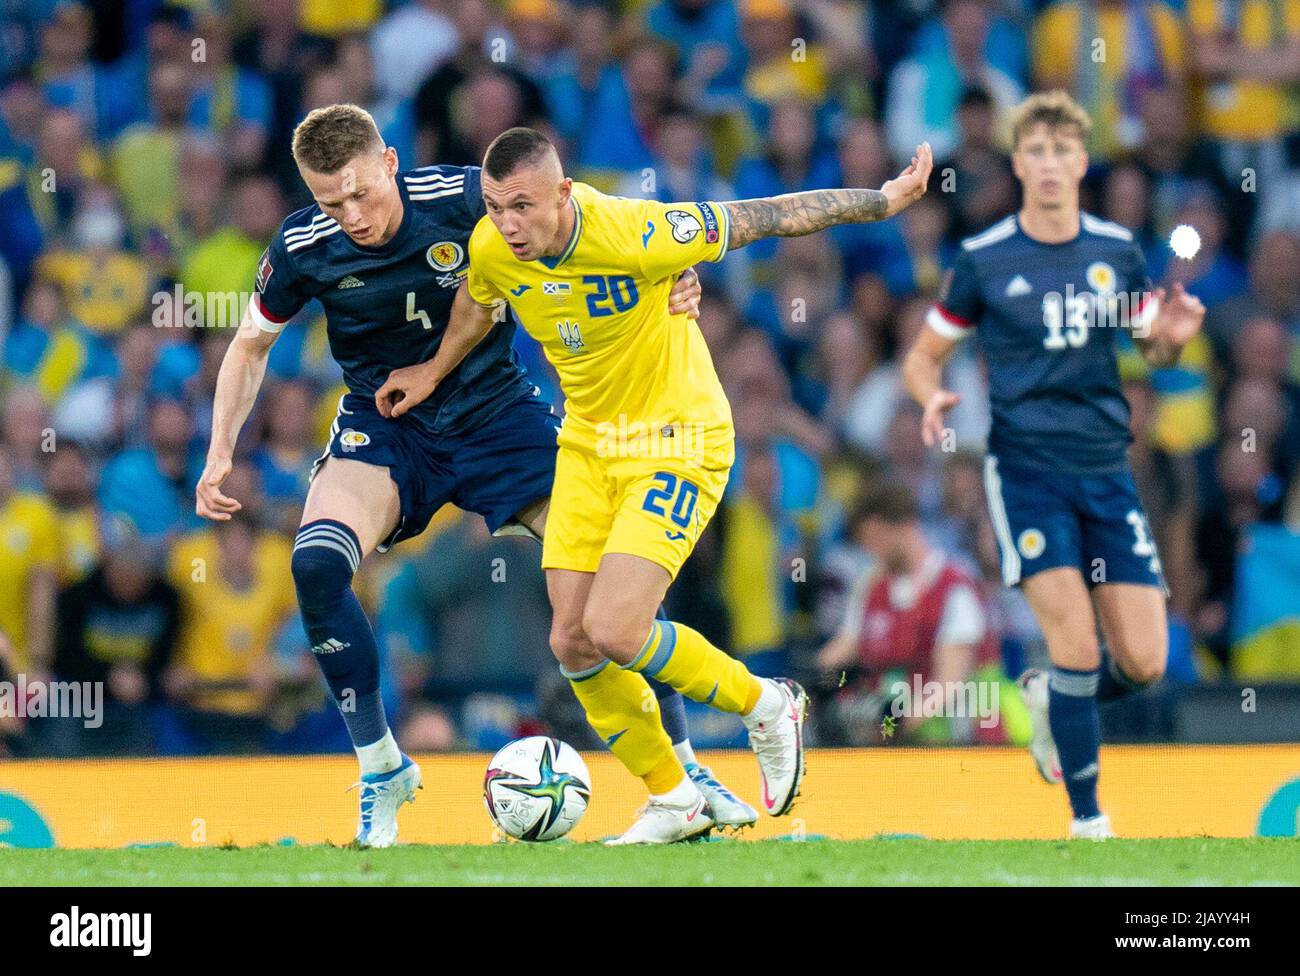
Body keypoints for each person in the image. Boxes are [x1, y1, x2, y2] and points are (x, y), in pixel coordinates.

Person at [194, 103, 745, 847]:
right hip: (389, 423)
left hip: (499, 417)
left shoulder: (467, 198)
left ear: (390, 162)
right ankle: (383, 766)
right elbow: (250, 346)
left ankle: (688, 772)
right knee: (318, 565)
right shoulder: (301, 247)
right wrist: (220, 452)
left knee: (614, 584)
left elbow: (592, 215)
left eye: (362, 192)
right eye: (331, 201)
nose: (351, 215)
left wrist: (675, 276)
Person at [380, 125, 932, 842]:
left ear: (564, 193)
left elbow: (768, 215)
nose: (508, 225)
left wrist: (881, 202)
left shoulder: (640, 231)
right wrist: (430, 370)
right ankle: (676, 798)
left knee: (616, 629)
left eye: (522, 206)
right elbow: (476, 303)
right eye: (494, 207)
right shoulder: (492, 248)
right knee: (573, 642)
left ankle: (765, 703)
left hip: (676, 439)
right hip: (585, 445)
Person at [901, 90, 1205, 838]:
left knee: (1143, 662)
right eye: (1034, 151)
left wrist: (1172, 339)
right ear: (1017, 162)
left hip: (1107, 469)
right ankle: (1088, 822)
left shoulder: (1115, 251)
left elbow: (1152, 350)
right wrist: (930, 397)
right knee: (1074, 645)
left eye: (1061, 150)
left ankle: (1050, 700)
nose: (1047, 164)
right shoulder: (982, 258)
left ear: (1080, 161)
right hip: (1026, 471)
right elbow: (924, 353)